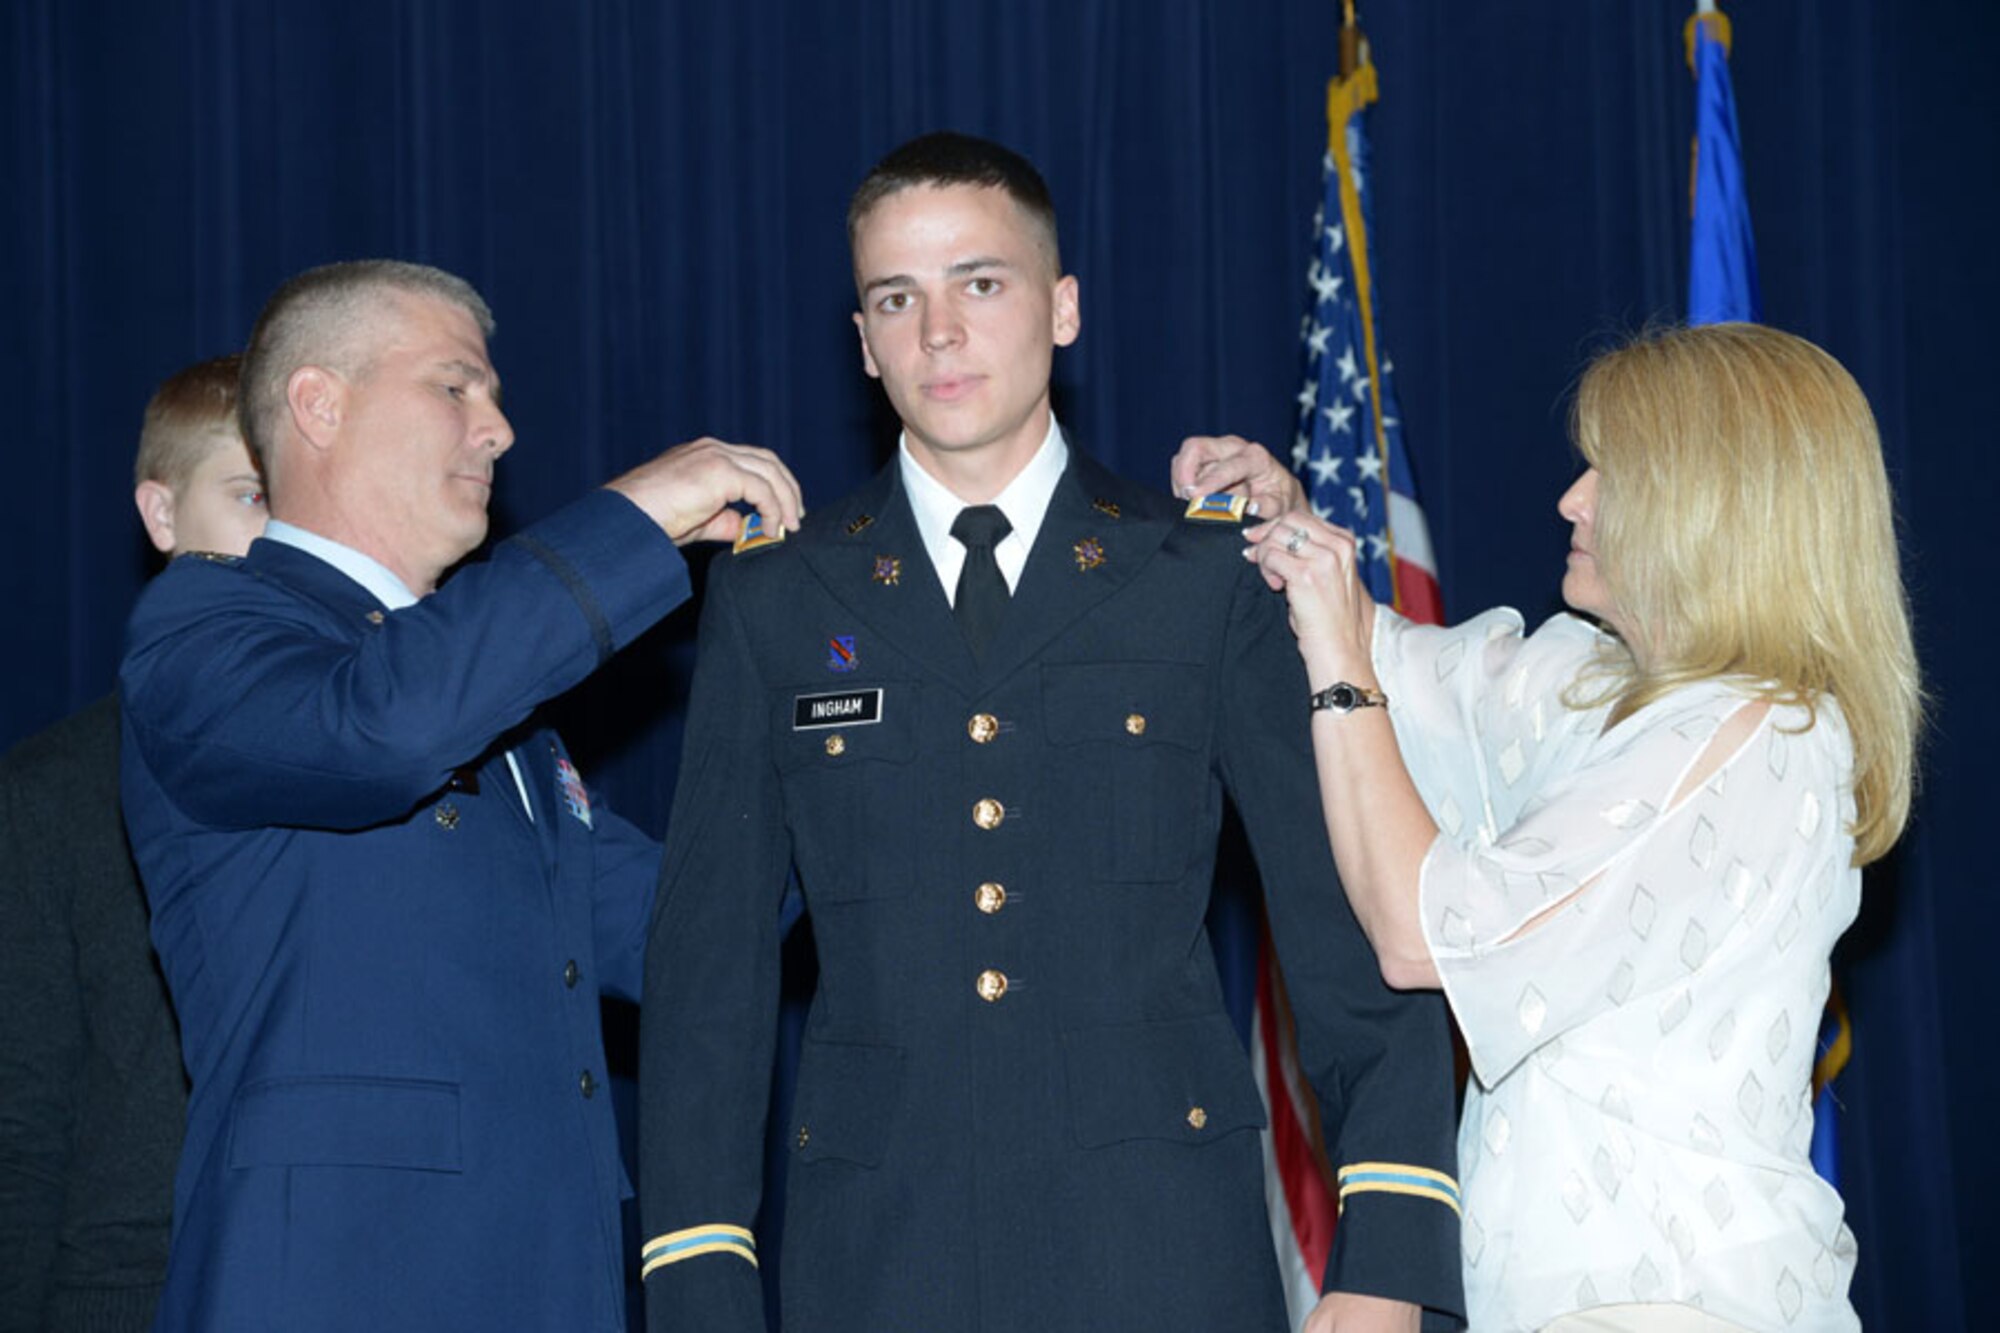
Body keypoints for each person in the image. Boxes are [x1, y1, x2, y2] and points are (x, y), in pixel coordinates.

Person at [638, 132, 1463, 1333]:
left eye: (981, 283)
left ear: (1062, 309)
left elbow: (1346, 929)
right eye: (895, 299)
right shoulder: (777, 598)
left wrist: (1387, 1254)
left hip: (1158, 1251)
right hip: (878, 1260)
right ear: (862, 342)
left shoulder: (1194, 572)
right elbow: (708, 970)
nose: (939, 333)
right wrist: (701, 1281)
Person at [118, 260, 802, 1333]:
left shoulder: (502, 717)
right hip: (340, 1282)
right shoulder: (205, 632)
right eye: (454, 388)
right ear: (318, 404)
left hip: (545, 1276)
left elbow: (704, 926)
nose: (498, 430)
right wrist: (629, 516)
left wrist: (876, 713)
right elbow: (381, 729)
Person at [1237, 323, 1918, 1332]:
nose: (1572, 498)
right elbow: (1416, 679)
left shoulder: (1758, 735)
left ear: (1713, 505)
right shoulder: (1628, 698)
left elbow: (1420, 934)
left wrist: (1338, 663)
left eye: (1612, 471)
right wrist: (1295, 534)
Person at [0, 356, 264, 1333]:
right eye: (250, 498)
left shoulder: (391, 753)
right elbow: (23, 1120)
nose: (284, 541)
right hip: (127, 1294)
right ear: (161, 516)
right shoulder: (53, 791)